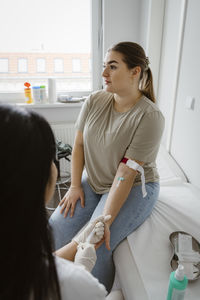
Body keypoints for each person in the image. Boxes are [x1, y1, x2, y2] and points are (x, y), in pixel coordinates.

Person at [49, 41, 165, 292]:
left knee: (96, 245)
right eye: (104, 66)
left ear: (135, 71)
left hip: (131, 186)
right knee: (57, 225)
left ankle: (90, 291)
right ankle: (57, 279)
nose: (104, 74)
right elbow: (78, 144)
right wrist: (74, 187)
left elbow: (126, 172)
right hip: (95, 182)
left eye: (112, 67)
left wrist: (101, 222)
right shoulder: (95, 100)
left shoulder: (150, 116)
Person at [0, 104, 108, 300]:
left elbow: (28, 263)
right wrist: (80, 269)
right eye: (51, 158)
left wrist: (78, 242)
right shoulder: (76, 286)